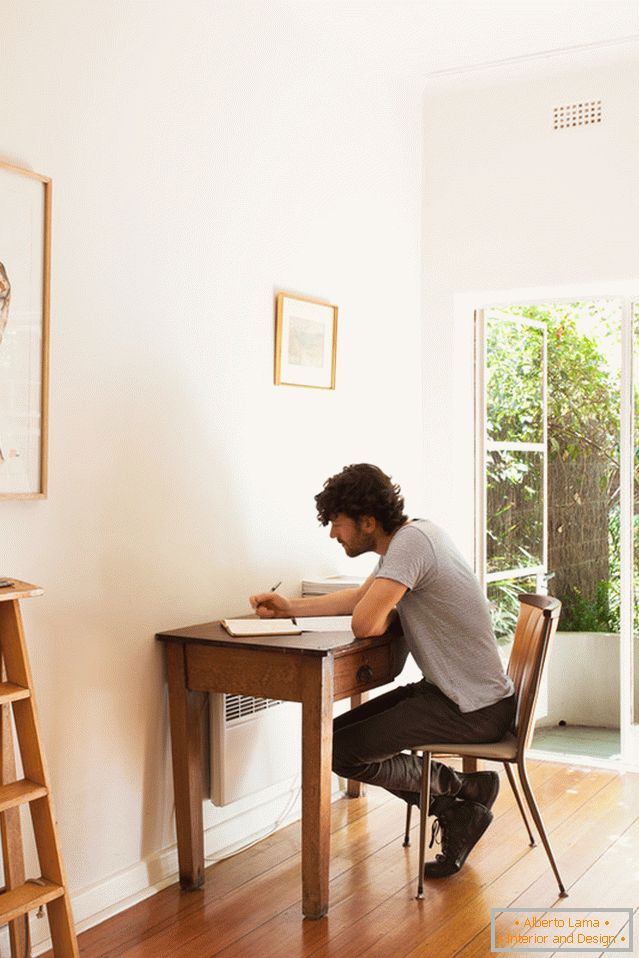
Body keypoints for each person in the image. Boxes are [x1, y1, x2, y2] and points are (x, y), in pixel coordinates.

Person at [249, 463, 515, 879]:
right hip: (460, 697)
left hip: (471, 709)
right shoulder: (415, 536)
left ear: (368, 522)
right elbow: (362, 597)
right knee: (333, 740)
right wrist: (290, 608)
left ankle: (459, 796)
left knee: (337, 750)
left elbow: (364, 623)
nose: (333, 535)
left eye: (337, 524)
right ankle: (464, 797)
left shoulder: (411, 546)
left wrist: (383, 611)